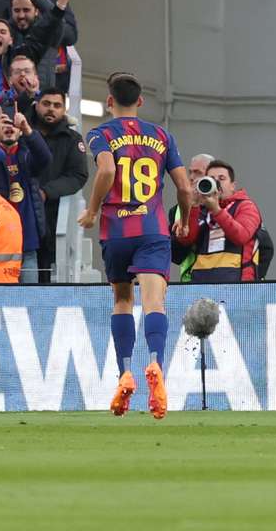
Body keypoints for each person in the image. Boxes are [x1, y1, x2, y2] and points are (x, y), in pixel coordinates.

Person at [78, 72, 192, 420]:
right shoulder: (161, 135)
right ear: (140, 101)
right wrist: (184, 219)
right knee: (154, 301)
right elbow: (185, 189)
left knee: (123, 300)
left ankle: (124, 371)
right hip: (152, 229)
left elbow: (107, 171)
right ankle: (156, 362)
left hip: (116, 232)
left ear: (109, 101)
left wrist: (94, 210)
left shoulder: (100, 134)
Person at [0, 106, 50, 282]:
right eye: (4, 124)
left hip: (27, 244)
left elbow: (45, 158)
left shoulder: (26, 156)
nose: (9, 128)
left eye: (14, 125)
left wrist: (28, 129)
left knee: (29, 300)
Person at [31, 87, 88, 283]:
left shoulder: (72, 140)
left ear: (64, 109)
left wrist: (47, 192)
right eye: (46, 104)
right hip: (23, 212)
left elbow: (78, 176)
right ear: (36, 105)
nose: (51, 109)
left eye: (57, 105)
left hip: (51, 216)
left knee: (45, 275)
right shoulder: (24, 134)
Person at [175, 160, 263, 282]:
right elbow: (185, 240)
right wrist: (193, 206)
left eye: (221, 178)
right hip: (199, 284)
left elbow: (241, 236)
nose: (216, 182)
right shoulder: (201, 209)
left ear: (233, 185)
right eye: (211, 178)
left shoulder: (245, 206)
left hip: (237, 285)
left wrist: (216, 210)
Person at [168, 153, 212, 282]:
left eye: (198, 173)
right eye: (190, 172)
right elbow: (175, 256)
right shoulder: (177, 210)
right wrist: (183, 229)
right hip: (190, 281)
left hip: (221, 279)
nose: (191, 177)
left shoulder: (225, 205)